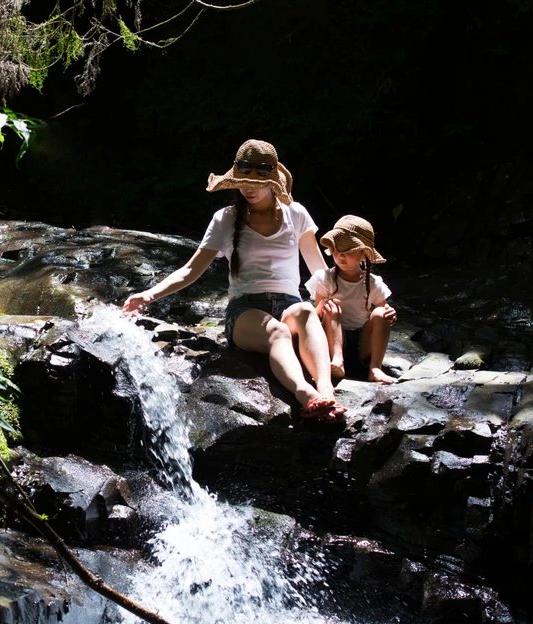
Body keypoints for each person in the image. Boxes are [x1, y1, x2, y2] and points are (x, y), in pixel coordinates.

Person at [122, 140, 345, 423]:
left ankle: (327, 392)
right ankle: (307, 396)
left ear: (273, 182)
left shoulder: (296, 214)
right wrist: (148, 295)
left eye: (256, 182)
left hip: (290, 302)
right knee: (277, 332)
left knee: (305, 311)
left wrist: (340, 299)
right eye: (242, 181)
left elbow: (318, 269)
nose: (248, 188)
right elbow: (191, 270)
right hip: (245, 310)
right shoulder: (225, 219)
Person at [306, 215, 397, 384]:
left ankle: (374, 368)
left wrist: (390, 314)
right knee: (332, 308)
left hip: (362, 344)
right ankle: (337, 359)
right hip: (331, 341)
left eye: (348, 252)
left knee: (379, 312)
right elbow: (314, 318)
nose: (341, 257)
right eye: (337, 251)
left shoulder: (373, 283)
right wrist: (324, 306)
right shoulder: (325, 278)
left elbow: (385, 320)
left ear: (364, 254)